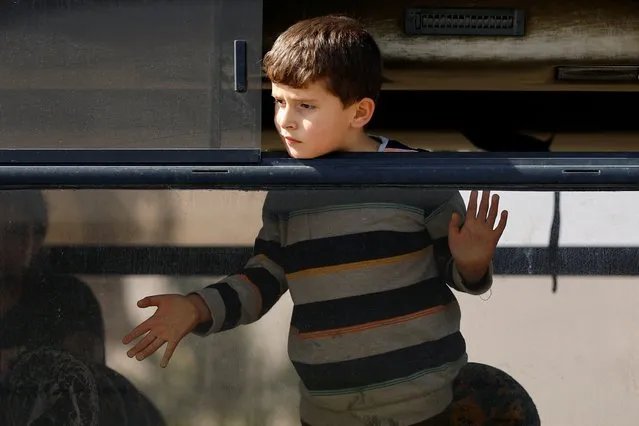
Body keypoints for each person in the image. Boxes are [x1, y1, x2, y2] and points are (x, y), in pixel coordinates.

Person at [122, 15, 539, 426]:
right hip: (325, 411)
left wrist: (471, 262)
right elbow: (263, 279)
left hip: (425, 406)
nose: (285, 120)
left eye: (306, 106)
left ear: (359, 113)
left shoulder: (416, 177)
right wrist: (195, 308)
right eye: (279, 102)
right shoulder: (288, 192)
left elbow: (457, 272)